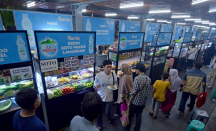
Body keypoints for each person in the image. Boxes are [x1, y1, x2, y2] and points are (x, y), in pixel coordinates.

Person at [126, 63, 151, 131]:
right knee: (138, 117)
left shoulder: (137, 78)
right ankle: (136, 129)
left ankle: (127, 129)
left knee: (130, 116)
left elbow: (134, 92)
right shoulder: (148, 79)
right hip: (143, 102)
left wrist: (129, 102)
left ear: (139, 70)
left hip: (135, 102)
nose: (135, 71)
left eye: (136, 69)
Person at [94, 60, 117, 130]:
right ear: (103, 67)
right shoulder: (99, 75)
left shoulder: (114, 75)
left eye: (110, 67)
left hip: (109, 96)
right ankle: (99, 124)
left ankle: (109, 118)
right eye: (107, 67)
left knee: (108, 111)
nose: (109, 69)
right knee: (99, 112)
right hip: (100, 96)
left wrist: (112, 87)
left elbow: (116, 85)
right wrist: (96, 86)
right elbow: (94, 84)